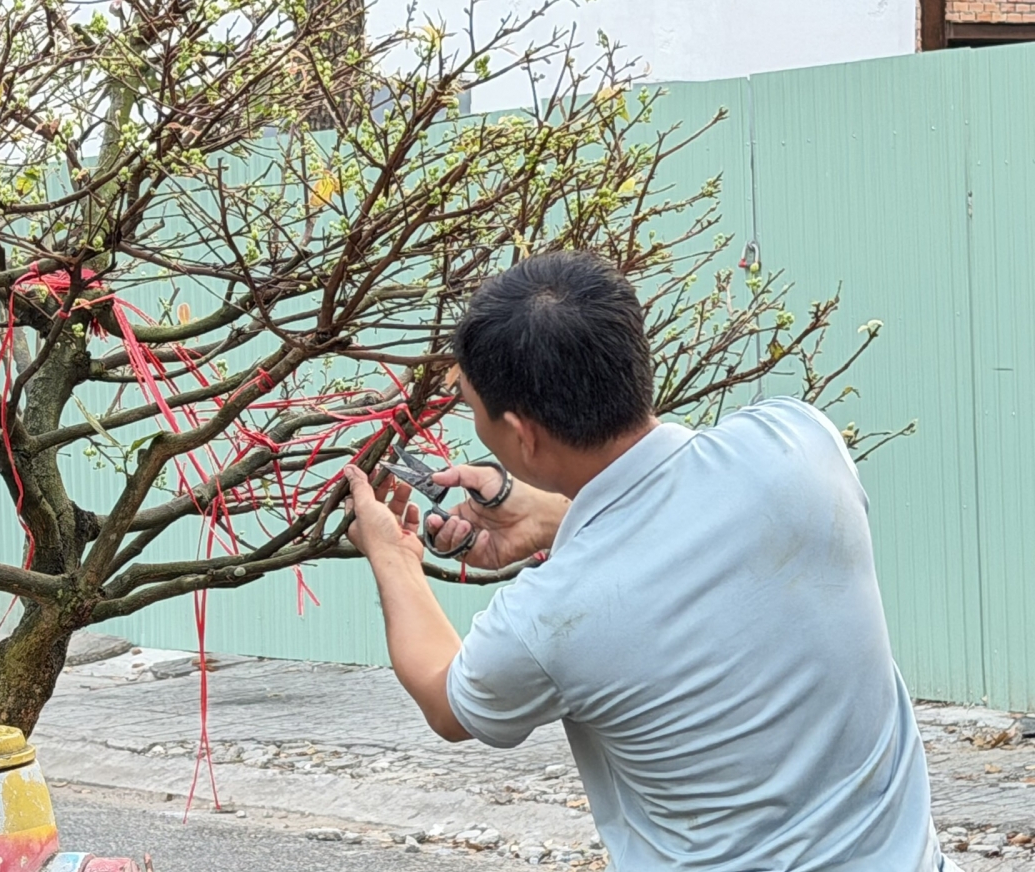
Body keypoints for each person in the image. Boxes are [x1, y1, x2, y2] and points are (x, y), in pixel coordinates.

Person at [342, 251, 954, 871]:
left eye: (472, 408)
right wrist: (556, 515)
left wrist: (394, 555)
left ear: (522, 435)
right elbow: (694, 517)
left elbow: (449, 703)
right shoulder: (797, 442)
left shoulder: (548, 619)